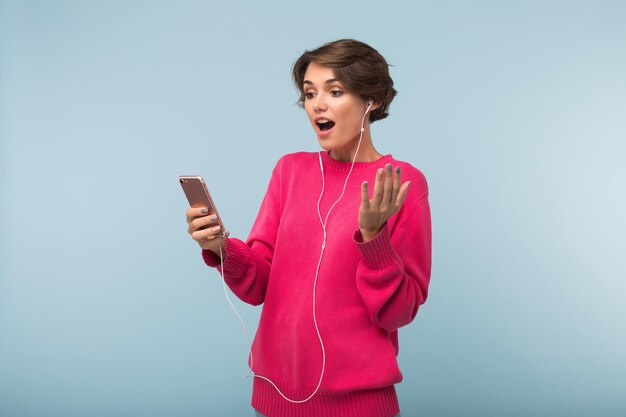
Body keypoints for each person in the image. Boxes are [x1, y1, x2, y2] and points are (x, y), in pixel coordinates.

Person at [185, 39, 432, 417]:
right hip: (274, 398)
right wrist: (220, 246)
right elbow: (258, 286)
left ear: (373, 100)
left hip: (360, 405)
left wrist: (372, 238)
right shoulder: (290, 171)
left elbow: (397, 313)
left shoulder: (400, 183)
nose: (317, 104)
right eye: (309, 93)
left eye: (335, 91)